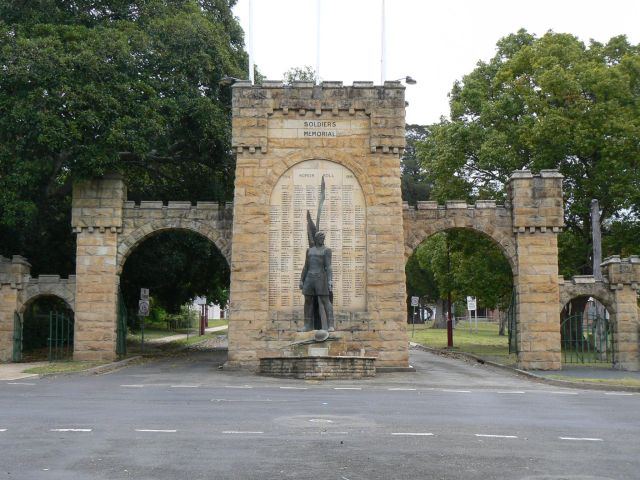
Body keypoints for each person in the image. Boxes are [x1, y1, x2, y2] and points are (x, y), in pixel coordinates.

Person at [299, 231, 334, 332]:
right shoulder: (309, 251)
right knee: (308, 301)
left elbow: (328, 267)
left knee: (325, 301)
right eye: (320, 238)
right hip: (309, 278)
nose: (322, 240)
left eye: (323, 238)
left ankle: (331, 325)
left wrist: (330, 280)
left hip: (321, 278)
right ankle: (307, 325)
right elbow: (306, 267)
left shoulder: (327, 250)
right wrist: (301, 280)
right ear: (316, 238)